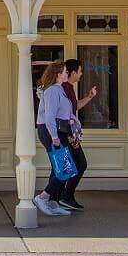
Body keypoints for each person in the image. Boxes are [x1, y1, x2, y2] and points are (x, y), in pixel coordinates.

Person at [34, 61, 75, 217]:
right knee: (65, 167)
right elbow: (50, 116)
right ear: (58, 74)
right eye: (65, 71)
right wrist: (54, 136)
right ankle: (43, 197)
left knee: (60, 168)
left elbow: (64, 112)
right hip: (51, 131)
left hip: (57, 130)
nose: (67, 73)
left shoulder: (58, 89)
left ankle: (53, 202)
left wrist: (74, 122)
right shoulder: (52, 91)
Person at [56, 58, 97, 211]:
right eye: (80, 71)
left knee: (67, 166)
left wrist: (90, 97)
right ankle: (64, 196)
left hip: (69, 132)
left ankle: (61, 197)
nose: (81, 74)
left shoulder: (70, 88)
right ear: (73, 72)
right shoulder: (64, 88)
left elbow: (75, 107)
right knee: (78, 164)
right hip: (66, 133)